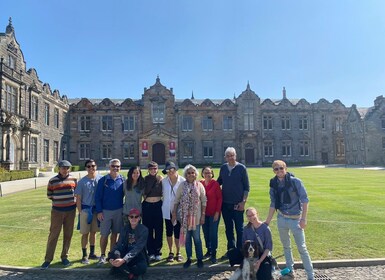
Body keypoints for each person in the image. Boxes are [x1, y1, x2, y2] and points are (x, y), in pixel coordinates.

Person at [265, 160, 314, 280]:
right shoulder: (273, 183)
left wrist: (304, 219)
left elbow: (305, 200)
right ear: (273, 171)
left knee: (302, 248)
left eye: (281, 168)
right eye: (276, 169)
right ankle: (290, 272)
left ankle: (310, 275)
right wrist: (267, 222)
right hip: (281, 218)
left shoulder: (295, 182)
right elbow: (273, 204)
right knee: (286, 247)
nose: (279, 171)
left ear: (285, 168)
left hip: (295, 219)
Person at [41, 160, 77, 270]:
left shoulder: (74, 180)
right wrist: (60, 201)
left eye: (67, 168)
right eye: (63, 168)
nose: (65, 170)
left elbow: (76, 193)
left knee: (68, 234)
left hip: (71, 211)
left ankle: (64, 256)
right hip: (57, 211)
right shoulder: (53, 181)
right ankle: (48, 259)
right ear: (59, 168)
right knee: (53, 235)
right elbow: (49, 195)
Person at [217, 147, 250, 258]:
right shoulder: (223, 168)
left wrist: (243, 202)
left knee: (239, 229)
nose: (230, 157)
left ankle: (241, 251)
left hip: (238, 204)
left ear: (235, 156)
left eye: (232, 155)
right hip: (225, 204)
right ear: (225, 157)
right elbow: (218, 182)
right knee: (229, 229)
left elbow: (246, 187)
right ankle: (231, 250)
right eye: (228, 155)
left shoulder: (241, 168)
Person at [171, 164, 206, 269]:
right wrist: (173, 213)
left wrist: (203, 215)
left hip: (196, 218)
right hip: (185, 218)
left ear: (196, 174)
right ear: (186, 175)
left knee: (197, 239)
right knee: (187, 239)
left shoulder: (199, 186)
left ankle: (199, 259)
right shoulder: (182, 185)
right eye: (189, 173)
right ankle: (189, 258)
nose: (191, 174)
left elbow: (204, 201)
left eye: (193, 172)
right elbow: (176, 200)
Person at [95, 159, 124, 265]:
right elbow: (97, 197)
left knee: (115, 234)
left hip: (118, 210)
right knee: (104, 234)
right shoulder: (103, 180)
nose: (115, 168)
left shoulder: (122, 179)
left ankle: (111, 254)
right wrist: (99, 211)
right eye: (113, 166)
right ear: (109, 166)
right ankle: (102, 255)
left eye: (118, 166)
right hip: (105, 211)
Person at [75, 159, 102, 264]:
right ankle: (84, 255)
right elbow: (78, 199)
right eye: (89, 166)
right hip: (86, 210)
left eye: (93, 166)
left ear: (96, 167)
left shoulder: (100, 179)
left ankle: (92, 253)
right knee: (85, 233)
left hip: (96, 210)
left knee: (93, 232)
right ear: (86, 168)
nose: (91, 168)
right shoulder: (82, 182)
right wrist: (80, 212)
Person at [108, 208, 148, 280]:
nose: (133, 218)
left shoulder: (144, 230)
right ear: (128, 218)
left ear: (139, 218)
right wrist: (115, 257)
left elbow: (138, 248)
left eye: (136, 217)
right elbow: (119, 245)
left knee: (142, 268)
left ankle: (124, 271)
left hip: (138, 256)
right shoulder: (124, 229)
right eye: (131, 217)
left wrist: (123, 260)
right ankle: (132, 275)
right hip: (125, 253)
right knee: (114, 257)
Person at [161, 161, 185, 262]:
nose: (170, 172)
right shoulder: (163, 181)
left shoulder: (182, 181)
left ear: (176, 170)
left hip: (178, 211)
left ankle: (178, 252)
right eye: (168, 170)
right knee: (169, 232)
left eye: (172, 170)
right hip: (167, 210)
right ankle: (171, 252)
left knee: (178, 232)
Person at [200, 166, 222, 264]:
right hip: (203, 213)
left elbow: (220, 198)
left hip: (214, 213)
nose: (207, 174)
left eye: (209, 172)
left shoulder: (215, 184)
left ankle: (213, 253)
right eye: (205, 172)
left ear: (212, 174)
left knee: (213, 233)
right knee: (206, 233)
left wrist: (217, 212)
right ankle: (208, 250)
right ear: (202, 174)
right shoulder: (200, 184)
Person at [142, 161, 163, 261]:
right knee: (148, 229)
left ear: (157, 169)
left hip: (158, 205)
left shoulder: (160, 179)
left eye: (155, 168)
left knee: (158, 229)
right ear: (148, 170)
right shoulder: (145, 179)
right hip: (147, 206)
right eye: (151, 169)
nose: (153, 170)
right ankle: (150, 251)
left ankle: (157, 251)